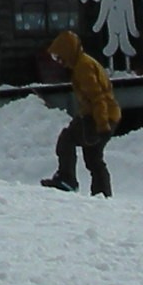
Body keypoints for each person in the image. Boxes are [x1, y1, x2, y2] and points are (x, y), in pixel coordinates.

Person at [38, 29, 117, 196]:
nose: (58, 61)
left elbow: (98, 97)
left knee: (67, 139)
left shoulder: (83, 67)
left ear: (67, 51)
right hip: (104, 116)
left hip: (99, 117)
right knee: (93, 157)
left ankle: (67, 180)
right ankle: (102, 194)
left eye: (58, 56)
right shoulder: (81, 64)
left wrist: (102, 125)